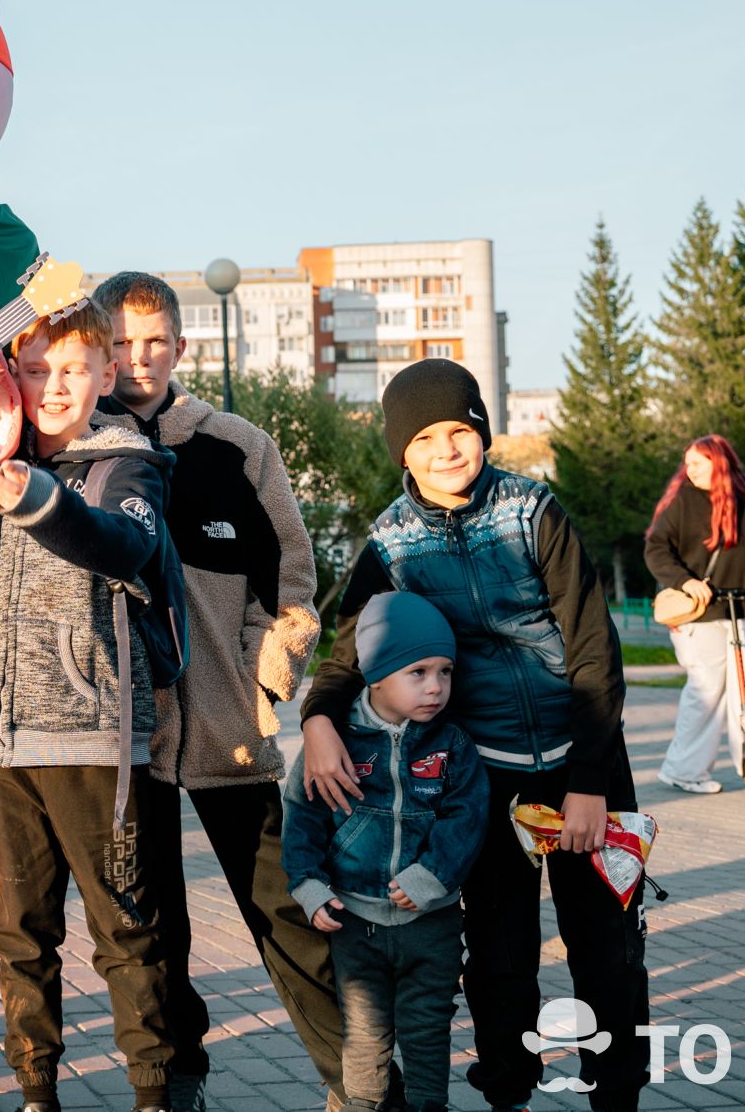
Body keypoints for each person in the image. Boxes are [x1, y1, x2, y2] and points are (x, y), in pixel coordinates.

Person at [298, 359, 648, 1112]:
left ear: (483, 432)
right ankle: (509, 1093)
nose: (447, 449)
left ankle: (617, 1095)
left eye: (460, 430)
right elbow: (348, 648)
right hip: (484, 775)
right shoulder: (391, 542)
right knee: (499, 955)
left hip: (583, 758)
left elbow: (594, 646)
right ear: (403, 451)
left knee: (607, 952)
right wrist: (318, 719)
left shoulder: (531, 511)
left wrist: (589, 780)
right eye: (425, 437)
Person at [91, 273, 353, 1112]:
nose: (140, 359)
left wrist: (264, 670)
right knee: (149, 920)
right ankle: (173, 1078)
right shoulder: (75, 442)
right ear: (100, 348)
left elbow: (293, 575)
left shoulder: (238, 444)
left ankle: (356, 1075)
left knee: (281, 905)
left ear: (181, 344)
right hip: (123, 729)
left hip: (227, 720)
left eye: (155, 341)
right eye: (123, 343)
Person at [0, 300, 185, 1112]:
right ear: (12, 379)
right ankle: (35, 1089)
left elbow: (122, 544)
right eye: (35, 370)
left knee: (126, 927)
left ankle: (151, 1091)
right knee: (19, 930)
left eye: (72, 370)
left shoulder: (127, 463)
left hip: (94, 733)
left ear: (104, 375)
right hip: (3, 738)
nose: (54, 386)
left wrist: (34, 497)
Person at [283, 591, 488, 1112]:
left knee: (426, 1033)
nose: (436, 687)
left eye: (445, 672)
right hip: (355, 923)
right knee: (365, 1038)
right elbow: (301, 818)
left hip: (431, 923)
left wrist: (432, 877)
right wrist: (308, 885)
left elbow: (466, 818)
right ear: (375, 674)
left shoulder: (452, 745)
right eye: (417, 672)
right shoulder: (336, 744)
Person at [643, 434, 745, 795]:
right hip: (703, 611)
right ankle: (684, 769)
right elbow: (656, 549)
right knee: (707, 689)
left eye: (697, 463)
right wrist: (686, 582)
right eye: (687, 462)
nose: (688, 470)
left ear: (718, 462)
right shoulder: (683, 500)